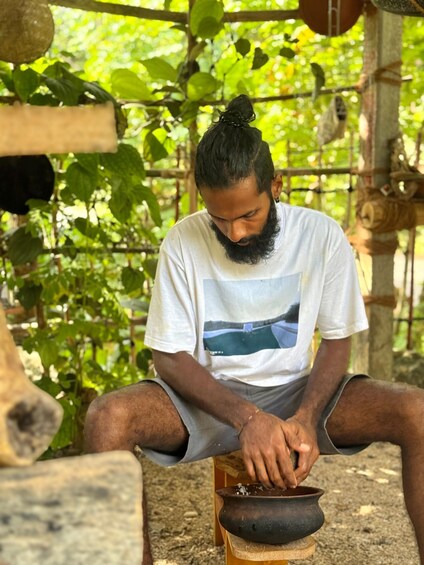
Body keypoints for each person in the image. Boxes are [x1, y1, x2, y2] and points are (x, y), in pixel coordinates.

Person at [84, 94, 424, 564]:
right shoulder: (182, 241)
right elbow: (169, 358)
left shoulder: (321, 236)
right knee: (107, 418)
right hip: (207, 403)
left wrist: (306, 416)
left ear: (276, 186)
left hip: (297, 393)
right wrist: (247, 419)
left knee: (416, 410)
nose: (235, 233)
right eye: (219, 218)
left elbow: (336, 340)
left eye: (249, 215)